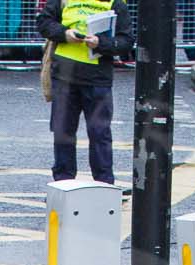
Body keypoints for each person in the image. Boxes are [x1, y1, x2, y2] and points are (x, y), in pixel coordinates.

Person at [36, 0, 135, 184]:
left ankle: (104, 184)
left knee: (99, 134)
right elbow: (44, 23)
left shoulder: (115, 3)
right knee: (63, 132)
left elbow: (126, 41)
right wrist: (65, 34)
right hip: (64, 77)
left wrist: (100, 43)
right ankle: (63, 183)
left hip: (97, 79)